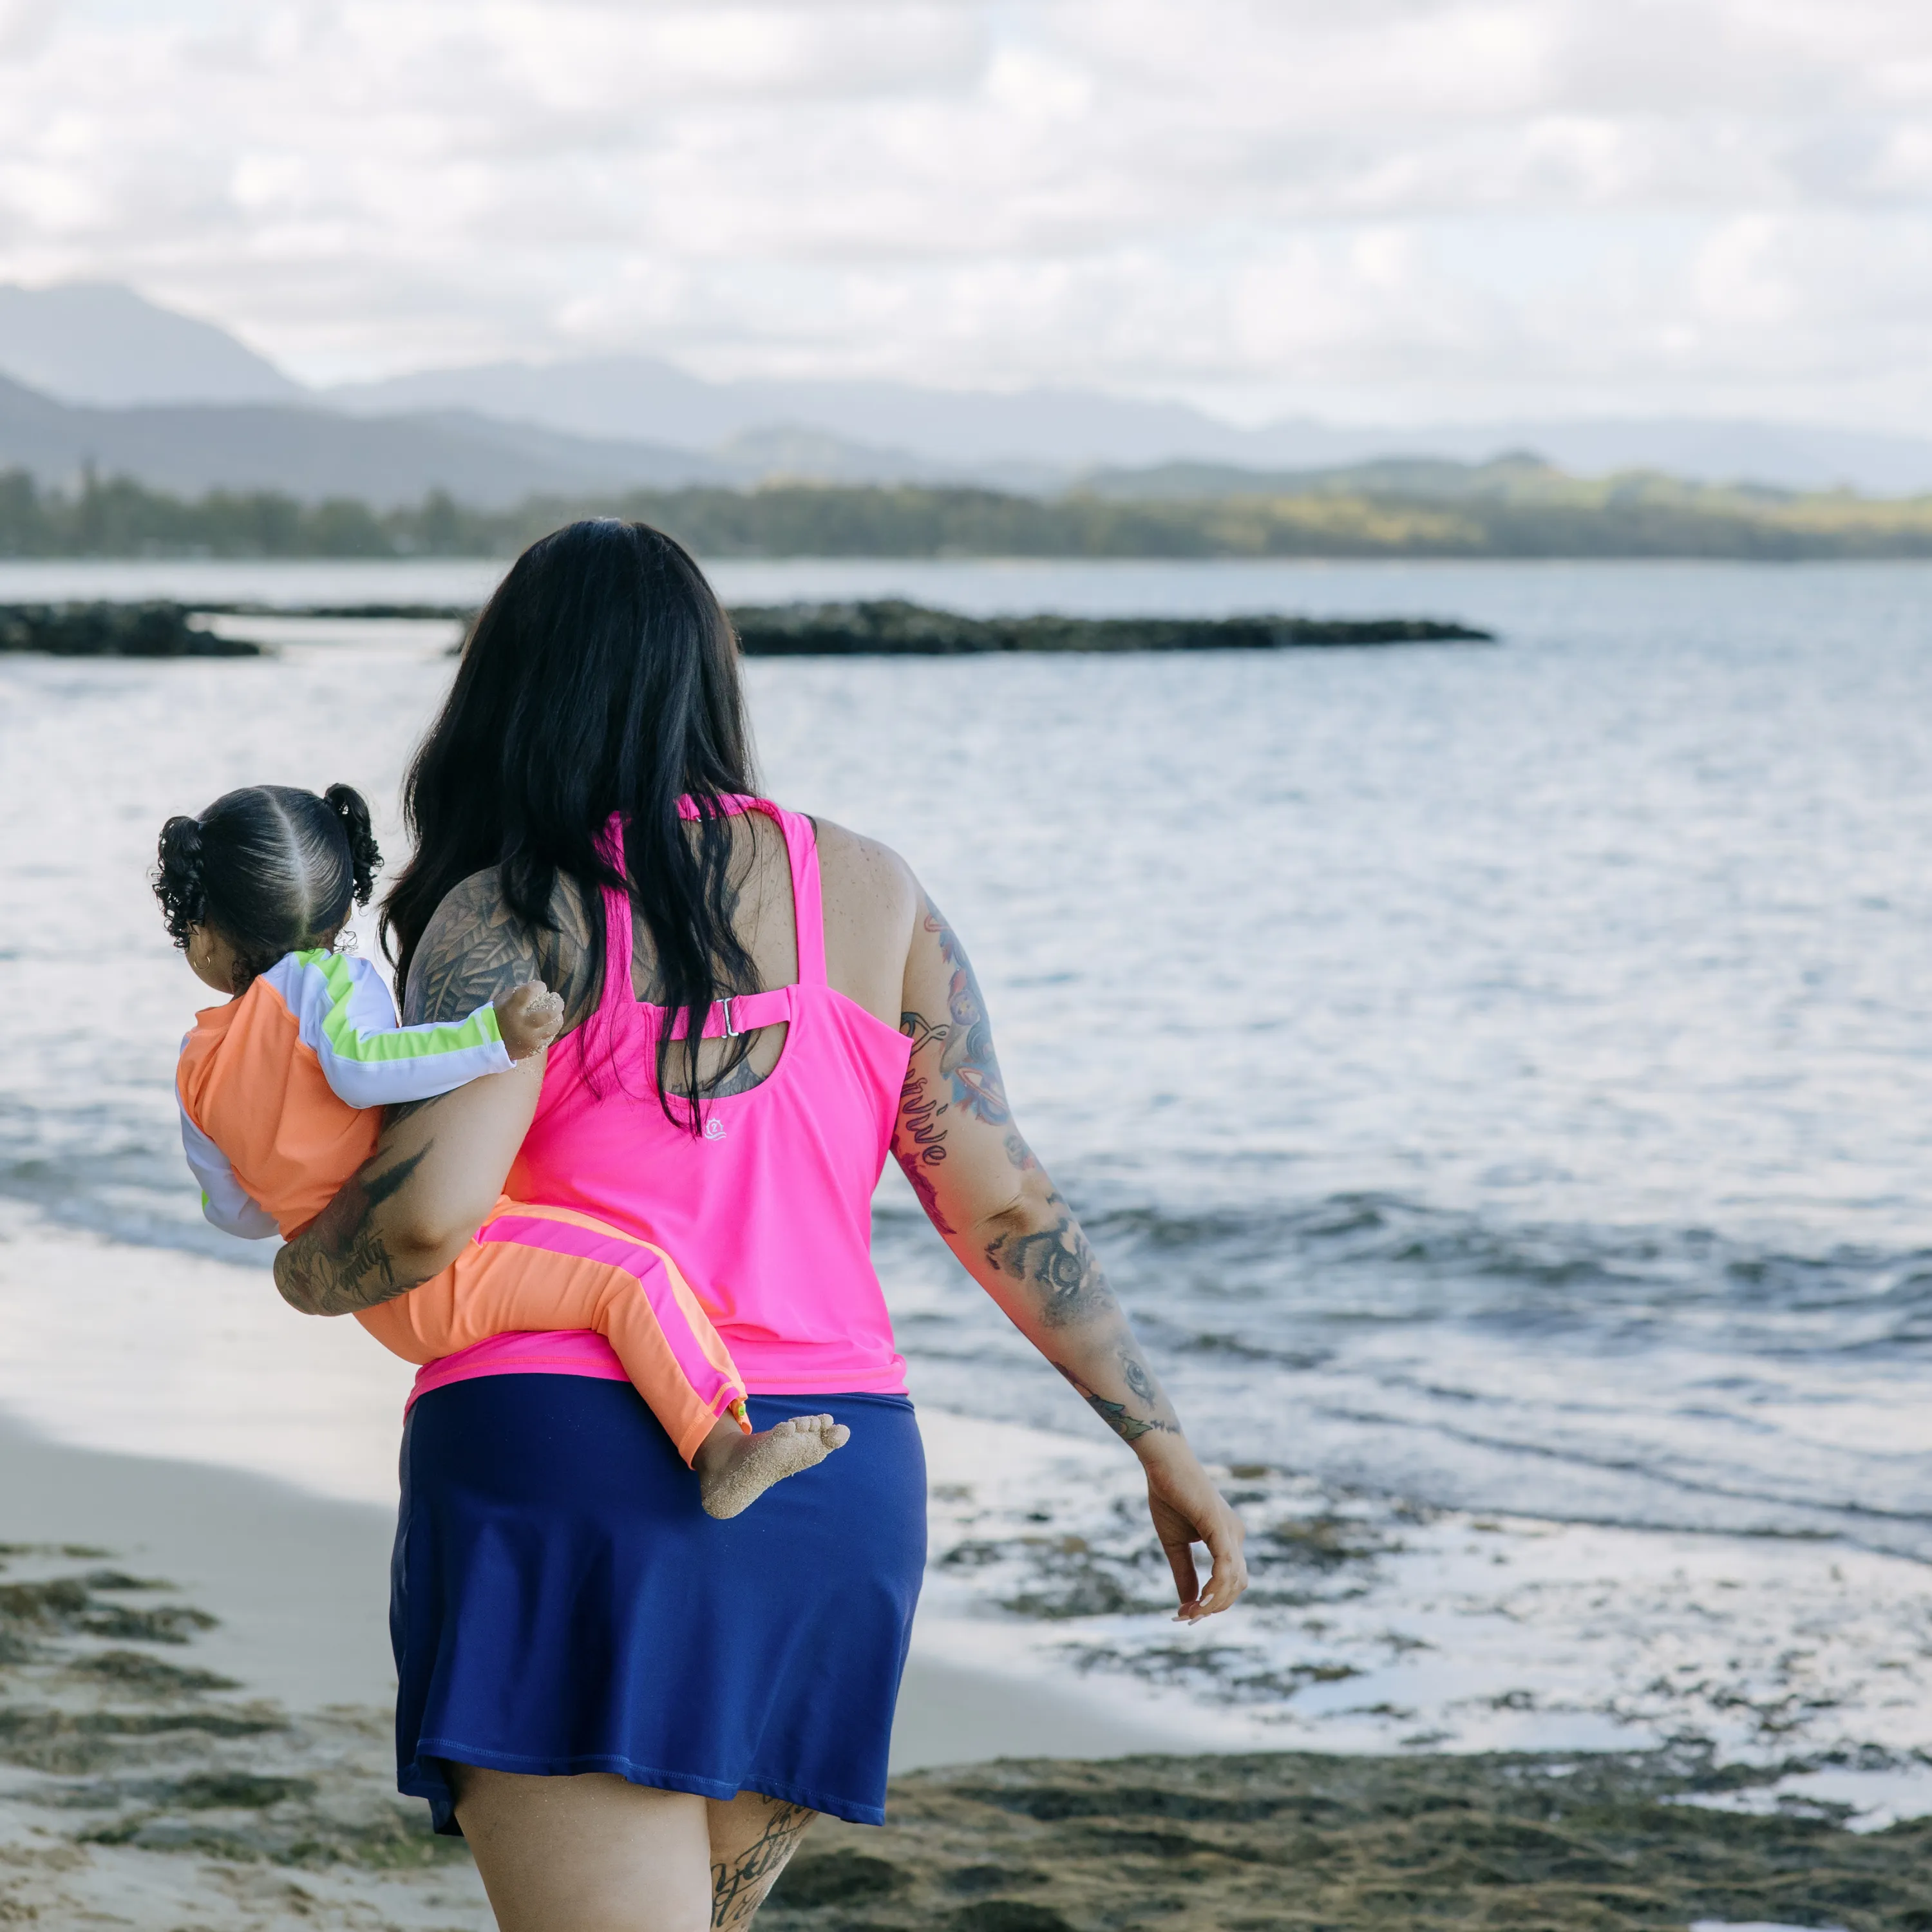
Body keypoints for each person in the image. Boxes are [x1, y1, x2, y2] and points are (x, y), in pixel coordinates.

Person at [270, 518, 1248, 1932]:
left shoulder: (506, 909)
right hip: (834, 1484)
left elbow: (429, 1218)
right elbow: (1003, 1199)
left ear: (505, 694)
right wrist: (1162, 1445)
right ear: (711, 687)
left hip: (572, 1472)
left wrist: (305, 1268)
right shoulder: (874, 891)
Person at [157, 781, 845, 1519]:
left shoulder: (196, 1059)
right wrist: (493, 1038)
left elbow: (233, 1212)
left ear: (203, 931)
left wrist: (296, 1187)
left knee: (601, 1288)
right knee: (632, 1277)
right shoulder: (327, 979)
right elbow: (363, 1069)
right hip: (443, 1254)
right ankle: (722, 1449)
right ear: (347, 907)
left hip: (374, 1294)